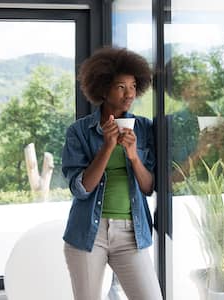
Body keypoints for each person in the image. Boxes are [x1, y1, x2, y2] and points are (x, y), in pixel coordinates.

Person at [61, 46, 163, 300]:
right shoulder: (80, 131)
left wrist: (133, 156)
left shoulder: (144, 128)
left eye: (132, 86)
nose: (129, 94)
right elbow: (80, 188)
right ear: (103, 88)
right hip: (87, 233)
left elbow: (148, 187)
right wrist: (107, 147)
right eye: (120, 86)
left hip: (131, 233)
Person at [165, 54, 224, 184]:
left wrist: (223, 148)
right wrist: (199, 152)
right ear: (182, 92)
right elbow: (168, 182)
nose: (202, 93)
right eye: (197, 88)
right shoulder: (170, 125)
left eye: (205, 87)